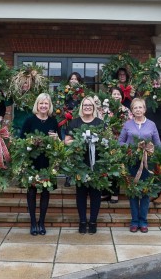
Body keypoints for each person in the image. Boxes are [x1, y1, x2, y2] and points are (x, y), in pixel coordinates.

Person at [118, 98, 161, 233]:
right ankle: (134, 221)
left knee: (145, 192)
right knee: (133, 192)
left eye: (140, 107)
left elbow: (158, 144)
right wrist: (132, 147)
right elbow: (120, 142)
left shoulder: (152, 125)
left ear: (144, 109)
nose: (138, 110)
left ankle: (143, 221)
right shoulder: (128, 125)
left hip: (147, 164)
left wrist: (153, 152)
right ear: (132, 110)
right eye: (135, 108)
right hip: (132, 163)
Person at [20, 93, 60, 236]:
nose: (43, 106)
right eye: (41, 103)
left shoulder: (53, 121)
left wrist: (56, 139)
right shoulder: (29, 121)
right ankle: (32, 223)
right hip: (32, 163)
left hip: (47, 163)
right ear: (37, 105)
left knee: (45, 192)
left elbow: (59, 144)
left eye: (46, 104)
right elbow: (20, 141)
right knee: (31, 193)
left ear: (49, 106)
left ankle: (41, 222)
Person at [65, 96, 104, 234]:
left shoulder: (100, 123)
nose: (87, 107)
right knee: (81, 194)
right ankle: (82, 221)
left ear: (93, 107)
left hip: (96, 164)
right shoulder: (75, 123)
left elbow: (107, 141)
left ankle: (93, 221)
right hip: (79, 164)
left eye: (90, 105)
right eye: (85, 105)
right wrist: (80, 140)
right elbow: (66, 141)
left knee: (95, 194)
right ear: (81, 107)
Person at [101, 86, 128, 203]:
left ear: (121, 97)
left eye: (118, 94)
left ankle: (115, 193)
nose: (116, 96)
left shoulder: (125, 110)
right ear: (110, 96)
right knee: (105, 166)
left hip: (119, 141)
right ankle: (105, 191)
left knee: (116, 166)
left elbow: (128, 126)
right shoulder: (104, 109)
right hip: (105, 141)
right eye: (114, 94)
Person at [63, 72, 84, 187]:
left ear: (79, 81)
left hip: (78, 126)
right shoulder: (63, 93)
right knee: (67, 151)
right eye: (72, 79)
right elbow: (59, 107)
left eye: (76, 79)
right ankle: (68, 176)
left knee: (77, 150)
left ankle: (77, 176)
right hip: (66, 125)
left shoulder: (82, 94)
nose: (74, 81)